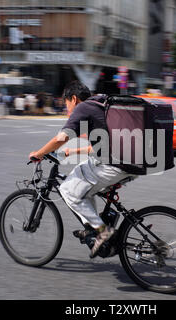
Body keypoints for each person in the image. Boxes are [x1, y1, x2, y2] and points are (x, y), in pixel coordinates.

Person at [28, 81, 136, 258]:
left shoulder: (83, 108)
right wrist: (73, 151)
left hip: (114, 165)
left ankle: (102, 231)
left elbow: (61, 138)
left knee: (67, 189)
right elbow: (101, 146)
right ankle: (94, 229)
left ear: (73, 98)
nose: (67, 109)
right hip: (132, 162)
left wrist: (39, 153)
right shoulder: (100, 106)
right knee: (82, 182)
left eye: (66, 104)